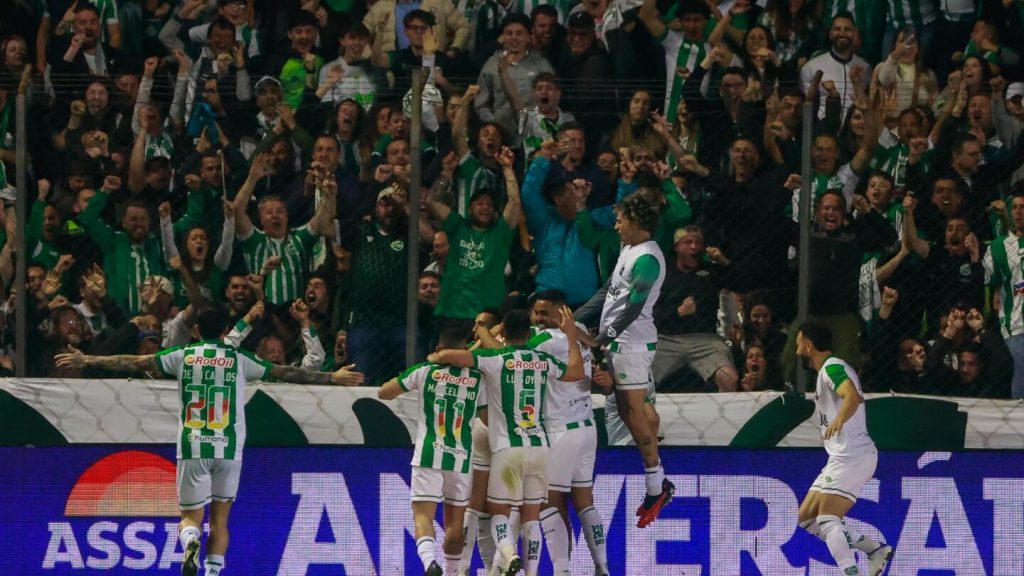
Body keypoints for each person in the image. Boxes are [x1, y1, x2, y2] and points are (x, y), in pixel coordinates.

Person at [54, 304, 365, 576]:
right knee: (220, 520)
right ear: (227, 330)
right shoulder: (239, 358)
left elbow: (135, 363)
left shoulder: (183, 355)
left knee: (190, 517)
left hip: (192, 445)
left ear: (197, 329)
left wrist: (89, 359)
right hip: (229, 448)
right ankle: (213, 572)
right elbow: (285, 373)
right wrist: (331, 377)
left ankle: (190, 540)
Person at [429, 308, 584, 576]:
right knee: (531, 515)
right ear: (528, 332)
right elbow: (576, 372)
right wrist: (571, 336)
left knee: (486, 508)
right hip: (538, 444)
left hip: (500, 441)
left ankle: (477, 564)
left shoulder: (492, 356)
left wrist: (447, 350)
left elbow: (445, 356)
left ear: (503, 330)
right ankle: (528, 572)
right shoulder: (543, 359)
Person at [574, 191, 674, 528]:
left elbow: (633, 305)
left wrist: (604, 336)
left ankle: (656, 484)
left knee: (632, 414)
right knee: (638, 410)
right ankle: (657, 477)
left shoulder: (648, 258)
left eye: (620, 220)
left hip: (631, 344)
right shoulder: (627, 250)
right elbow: (610, 292)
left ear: (636, 222)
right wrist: (576, 317)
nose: (616, 226)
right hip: (620, 342)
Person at [378, 326, 484, 576]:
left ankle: (429, 564)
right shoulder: (479, 379)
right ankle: (451, 572)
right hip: (461, 458)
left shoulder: (425, 371)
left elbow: (384, 393)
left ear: (438, 350)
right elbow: (488, 417)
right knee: (455, 525)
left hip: (429, 454)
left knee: (423, 516)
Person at [793, 321, 894, 576]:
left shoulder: (832, 368)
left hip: (853, 456)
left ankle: (851, 572)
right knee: (807, 518)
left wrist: (839, 419)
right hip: (842, 457)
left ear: (808, 345)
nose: (796, 351)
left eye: (798, 344)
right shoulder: (827, 370)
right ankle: (875, 549)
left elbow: (851, 395)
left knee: (827, 519)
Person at [527, 291, 609, 576]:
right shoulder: (582, 331)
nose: (539, 318)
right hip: (588, 427)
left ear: (561, 312)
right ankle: (603, 566)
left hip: (560, 429)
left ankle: (562, 571)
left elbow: (512, 353)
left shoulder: (545, 340)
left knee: (548, 502)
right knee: (585, 501)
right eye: (536, 312)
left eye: (545, 312)